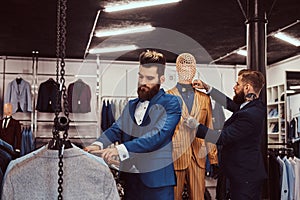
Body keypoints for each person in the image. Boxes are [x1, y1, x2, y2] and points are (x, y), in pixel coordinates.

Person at [84, 49, 182, 200]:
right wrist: (98, 144)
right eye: (141, 77)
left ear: (161, 79)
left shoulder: (171, 103)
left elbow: (157, 136)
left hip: (157, 183)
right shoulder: (131, 105)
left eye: (149, 78)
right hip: (130, 180)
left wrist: (120, 149)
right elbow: (116, 129)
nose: (143, 82)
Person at [185, 69, 267, 200]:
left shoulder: (250, 114)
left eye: (237, 84)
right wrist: (208, 88)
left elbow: (222, 138)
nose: (234, 87)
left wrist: (196, 126)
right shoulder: (250, 106)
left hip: (245, 177)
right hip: (238, 173)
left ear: (247, 88)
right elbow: (230, 104)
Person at [166, 53, 218, 200]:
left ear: (195, 69)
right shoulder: (168, 96)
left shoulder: (204, 98)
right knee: (173, 197)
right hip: (175, 156)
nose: (187, 68)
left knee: (198, 197)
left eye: (190, 65)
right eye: (183, 64)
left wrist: (213, 159)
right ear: (177, 68)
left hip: (198, 156)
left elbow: (209, 128)